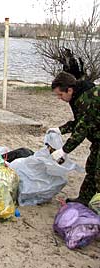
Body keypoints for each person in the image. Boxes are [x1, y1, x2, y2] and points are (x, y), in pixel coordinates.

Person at [48, 71, 99, 205]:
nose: (59, 98)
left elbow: (82, 128)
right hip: (97, 139)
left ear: (69, 90)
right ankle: (84, 199)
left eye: (60, 94)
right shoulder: (79, 96)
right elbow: (78, 121)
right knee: (92, 169)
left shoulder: (88, 98)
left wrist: (64, 150)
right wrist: (60, 130)